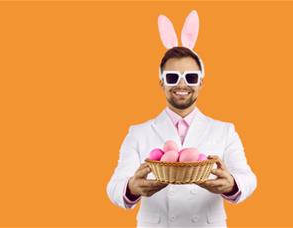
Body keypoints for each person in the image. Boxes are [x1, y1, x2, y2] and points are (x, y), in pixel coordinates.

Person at [106, 10, 257, 228]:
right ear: (162, 83)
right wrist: (130, 188)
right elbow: (113, 186)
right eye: (172, 77)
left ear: (201, 82)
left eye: (191, 77)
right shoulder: (138, 132)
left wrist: (232, 185)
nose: (182, 85)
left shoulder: (225, 130)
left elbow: (248, 177)